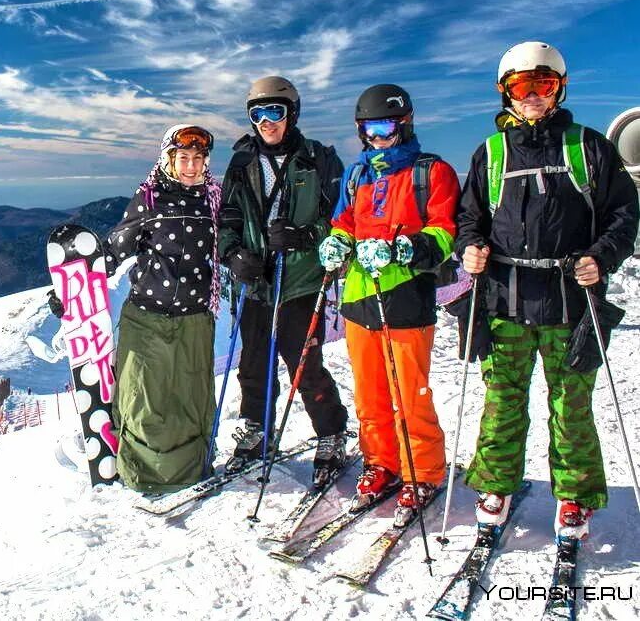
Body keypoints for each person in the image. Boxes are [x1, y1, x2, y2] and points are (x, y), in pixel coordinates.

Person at [456, 41, 639, 540]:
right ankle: (496, 486)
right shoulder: (491, 153)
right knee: (502, 403)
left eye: (544, 83)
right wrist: (469, 247)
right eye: (521, 85)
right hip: (506, 300)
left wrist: (600, 256)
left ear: (559, 88)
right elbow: (469, 217)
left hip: (570, 304)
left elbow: (625, 214)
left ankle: (575, 496)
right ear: (505, 94)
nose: (533, 94)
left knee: (571, 405)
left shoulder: (588, 147)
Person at [317, 83, 459, 523]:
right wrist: (337, 243)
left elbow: (444, 231)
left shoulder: (430, 172)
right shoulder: (358, 175)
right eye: (369, 129)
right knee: (370, 394)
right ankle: (383, 463)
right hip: (360, 298)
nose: (378, 137)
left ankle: (425, 471)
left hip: (405, 300)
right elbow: (344, 221)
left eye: (386, 127)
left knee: (409, 394)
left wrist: (402, 249)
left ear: (405, 124)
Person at [217, 76, 350, 484]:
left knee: (304, 365)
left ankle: (331, 432)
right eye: (257, 114)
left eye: (274, 111)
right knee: (253, 365)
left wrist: (305, 237)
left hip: (302, 282)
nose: (266, 121)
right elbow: (228, 218)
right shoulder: (241, 163)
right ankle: (256, 428)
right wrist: (234, 254)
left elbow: (342, 219)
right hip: (256, 283)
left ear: (291, 113)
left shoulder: (319, 160)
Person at [102, 124, 223, 493]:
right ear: (169, 159)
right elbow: (114, 250)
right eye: (183, 158)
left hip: (195, 318)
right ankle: (141, 472)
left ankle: (192, 468)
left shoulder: (214, 201)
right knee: (144, 400)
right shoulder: (150, 199)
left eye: (198, 158)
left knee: (189, 399)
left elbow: (233, 244)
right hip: (148, 317)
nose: (191, 166)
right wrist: (74, 289)